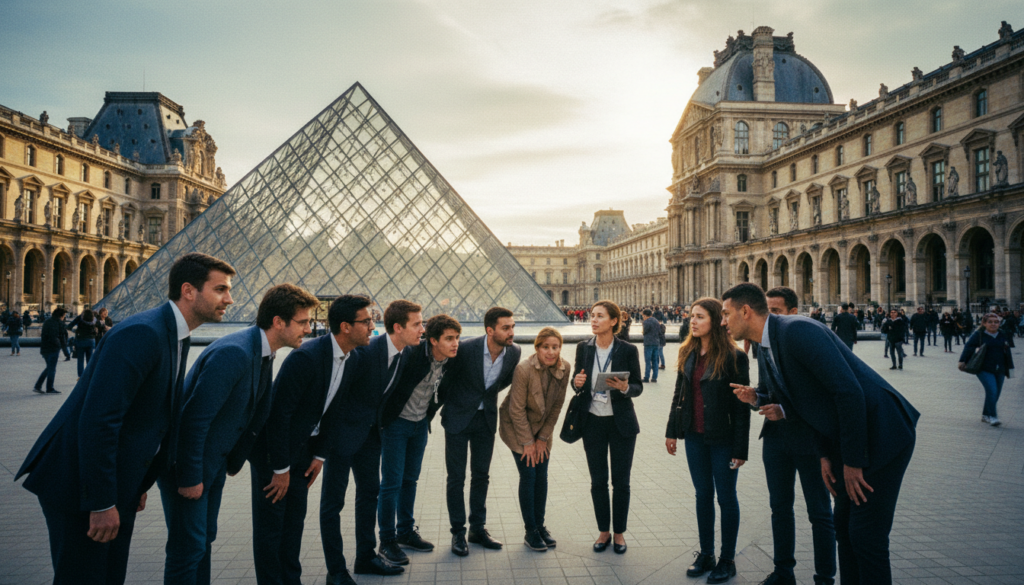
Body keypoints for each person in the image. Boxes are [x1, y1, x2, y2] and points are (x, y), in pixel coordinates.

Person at [16, 252, 236, 585]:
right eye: (220, 289)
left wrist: (138, 482)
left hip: (113, 483)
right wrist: (103, 500)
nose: (229, 299)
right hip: (80, 485)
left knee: (109, 575)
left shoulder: (175, 334)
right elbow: (99, 421)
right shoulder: (142, 334)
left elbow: (146, 419)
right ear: (189, 290)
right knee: (86, 577)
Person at [724, 283, 919, 585]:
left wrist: (852, 462)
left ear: (745, 311)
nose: (724, 321)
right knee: (844, 528)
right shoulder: (769, 343)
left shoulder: (796, 331)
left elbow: (848, 393)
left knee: (866, 537)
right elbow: (811, 403)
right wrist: (826, 454)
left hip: (882, 434)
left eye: (726, 313)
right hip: (847, 439)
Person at [158, 284, 318, 585]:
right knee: (188, 549)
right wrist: (191, 476)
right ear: (278, 322)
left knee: (201, 542)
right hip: (190, 468)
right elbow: (194, 420)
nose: (309, 329)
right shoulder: (235, 353)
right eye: (303, 322)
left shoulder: (262, 353)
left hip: (212, 464)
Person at [248, 295, 371, 585]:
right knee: (271, 531)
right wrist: (280, 469)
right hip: (274, 454)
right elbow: (278, 417)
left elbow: (334, 409)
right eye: (366, 321)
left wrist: (320, 456)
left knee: (293, 527)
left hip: (305, 454)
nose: (371, 326)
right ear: (345, 326)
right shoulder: (306, 357)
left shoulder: (350, 359)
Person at [320, 300, 423, 581]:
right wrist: (324, 445)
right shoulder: (365, 352)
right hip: (340, 439)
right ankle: (336, 572)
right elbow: (337, 394)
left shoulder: (405, 355)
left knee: (369, 495)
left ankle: (365, 557)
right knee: (332, 505)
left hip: (369, 438)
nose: (422, 330)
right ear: (398, 328)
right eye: (417, 324)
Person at [749, 287, 836, 585]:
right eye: (767, 310)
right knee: (779, 507)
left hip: (811, 440)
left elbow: (819, 396)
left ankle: (825, 577)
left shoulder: (804, 339)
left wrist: (785, 410)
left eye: (776, 311)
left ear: (792, 312)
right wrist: (755, 397)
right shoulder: (762, 346)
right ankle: (783, 571)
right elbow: (768, 391)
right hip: (776, 438)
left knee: (820, 512)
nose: (770, 317)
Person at [665, 298, 750, 583]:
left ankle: (727, 559)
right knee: (703, 496)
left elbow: (741, 409)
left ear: (714, 320)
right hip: (694, 436)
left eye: (699, 317)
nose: (693, 321)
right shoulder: (688, 351)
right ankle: (706, 553)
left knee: (726, 498)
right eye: (691, 316)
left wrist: (741, 449)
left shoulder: (734, 357)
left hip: (723, 438)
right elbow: (679, 395)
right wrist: (671, 431)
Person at [377, 314, 462, 567]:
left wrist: (426, 418)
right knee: (391, 484)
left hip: (419, 425)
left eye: (457, 338)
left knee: (410, 480)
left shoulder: (451, 362)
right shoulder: (411, 355)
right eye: (449, 339)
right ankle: (386, 540)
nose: (456, 343)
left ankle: (405, 530)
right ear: (433, 340)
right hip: (396, 424)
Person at [443, 307, 521, 556]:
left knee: (481, 476)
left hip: (485, 419)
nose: (511, 332)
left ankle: (477, 528)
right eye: (506, 328)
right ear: (490, 330)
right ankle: (458, 532)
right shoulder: (465, 348)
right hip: (458, 419)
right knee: (456, 478)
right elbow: (447, 380)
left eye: (513, 327)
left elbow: (504, 381)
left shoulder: (514, 352)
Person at [572, 300, 643, 555]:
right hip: (592, 422)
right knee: (598, 481)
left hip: (621, 423)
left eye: (600, 316)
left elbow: (638, 385)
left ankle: (620, 533)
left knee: (621, 482)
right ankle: (604, 530)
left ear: (614, 321)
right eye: (592, 316)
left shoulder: (627, 350)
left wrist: (625, 388)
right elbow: (577, 382)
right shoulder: (584, 348)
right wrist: (577, 381)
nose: (593, 320)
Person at [498, 327, 570, 552]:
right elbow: (516, 409)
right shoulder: (523, 369)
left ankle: (540, 524)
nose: (551, 352)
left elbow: (558, 405)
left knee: (542, 476)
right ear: (537, 348)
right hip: (517, 426)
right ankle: (531, 530)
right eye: (546, 347)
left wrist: (543, 437)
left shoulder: (565, 367)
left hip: (542, 429)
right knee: (529, 474)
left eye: (555, 347)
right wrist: (528, 443)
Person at [958, 313, 1015, 427]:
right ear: (984, 323)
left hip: (1000, 369)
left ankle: (985, 415)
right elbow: (968, 347)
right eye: (990, 322)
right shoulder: (979, 334)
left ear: (999, 323)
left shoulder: (1003, 334)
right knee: (992, 391)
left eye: (996, 322)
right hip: (983, 368)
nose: (993, 324)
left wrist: (1010, 369)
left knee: (995, 394)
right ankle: (993, 416)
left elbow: (1007, 352)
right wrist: (962, 360)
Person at [34, 308, 68, 394]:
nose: (64, 317)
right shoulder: (60, 323)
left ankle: (38, 386)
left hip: (45, 348)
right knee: (52, 369)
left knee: (49, 368)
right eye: (64, 316)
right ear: (61, 315)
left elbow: (44, 335)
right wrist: (66, 352)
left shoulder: (47, 322)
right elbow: (62, 339)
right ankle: (49, 388)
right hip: (53, 348)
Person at [69, 309, 102, 377]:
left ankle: (80, 377)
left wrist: (76, 331)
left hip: (81, 341)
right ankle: (89, 375)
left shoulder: (80, 318)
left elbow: (69, 326)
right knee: (89, 360)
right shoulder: (94, 319)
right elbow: (101, 326)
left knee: (80, 360)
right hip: (91, 341)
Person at [641, 309, 659, 383]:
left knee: (648, 361)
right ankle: (654, 378)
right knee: (655, 361)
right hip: (656, 343)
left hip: (648, 343)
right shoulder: (656, 321)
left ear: (645, 315)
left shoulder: (646, 322)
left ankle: (646, 377)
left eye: (643, 316)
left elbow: (645, 332)